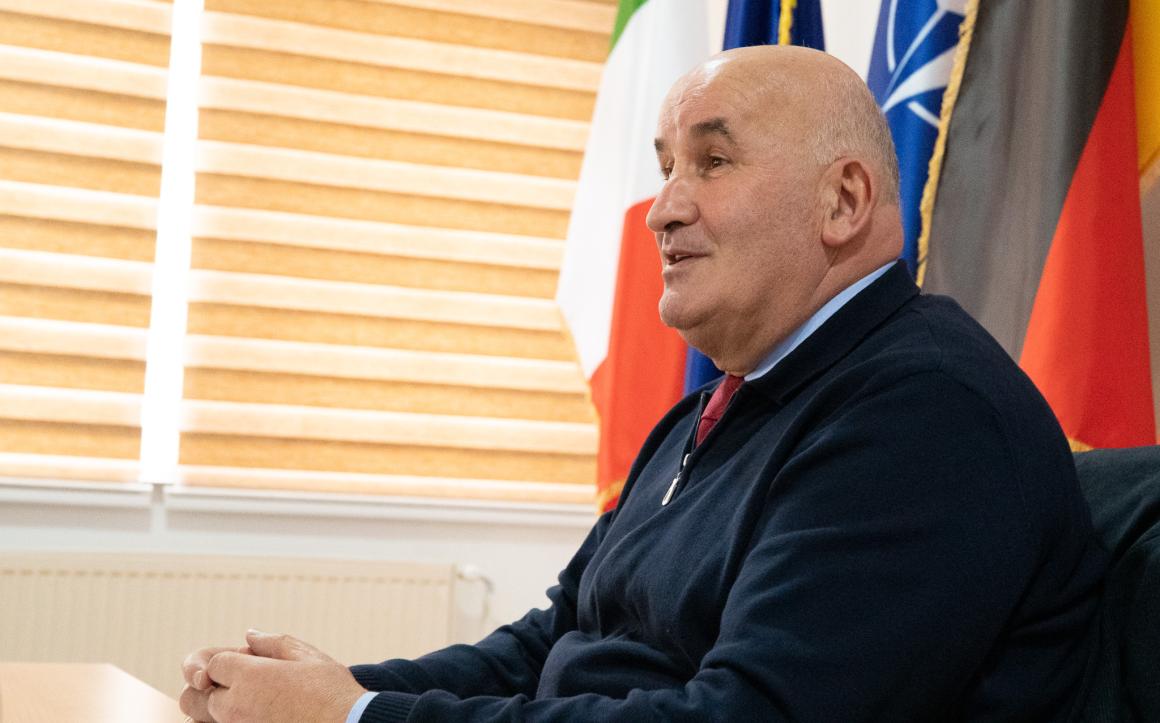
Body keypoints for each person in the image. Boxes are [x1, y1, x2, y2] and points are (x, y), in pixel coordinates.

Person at [179, 45, 1106, 722]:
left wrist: (356, 717)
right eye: (665, 167)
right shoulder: (715, 408)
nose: (661, 209)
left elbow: (746, 719)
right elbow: (551, 641)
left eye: (713, 161)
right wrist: (320, 691)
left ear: (844, 200)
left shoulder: (925, 413)